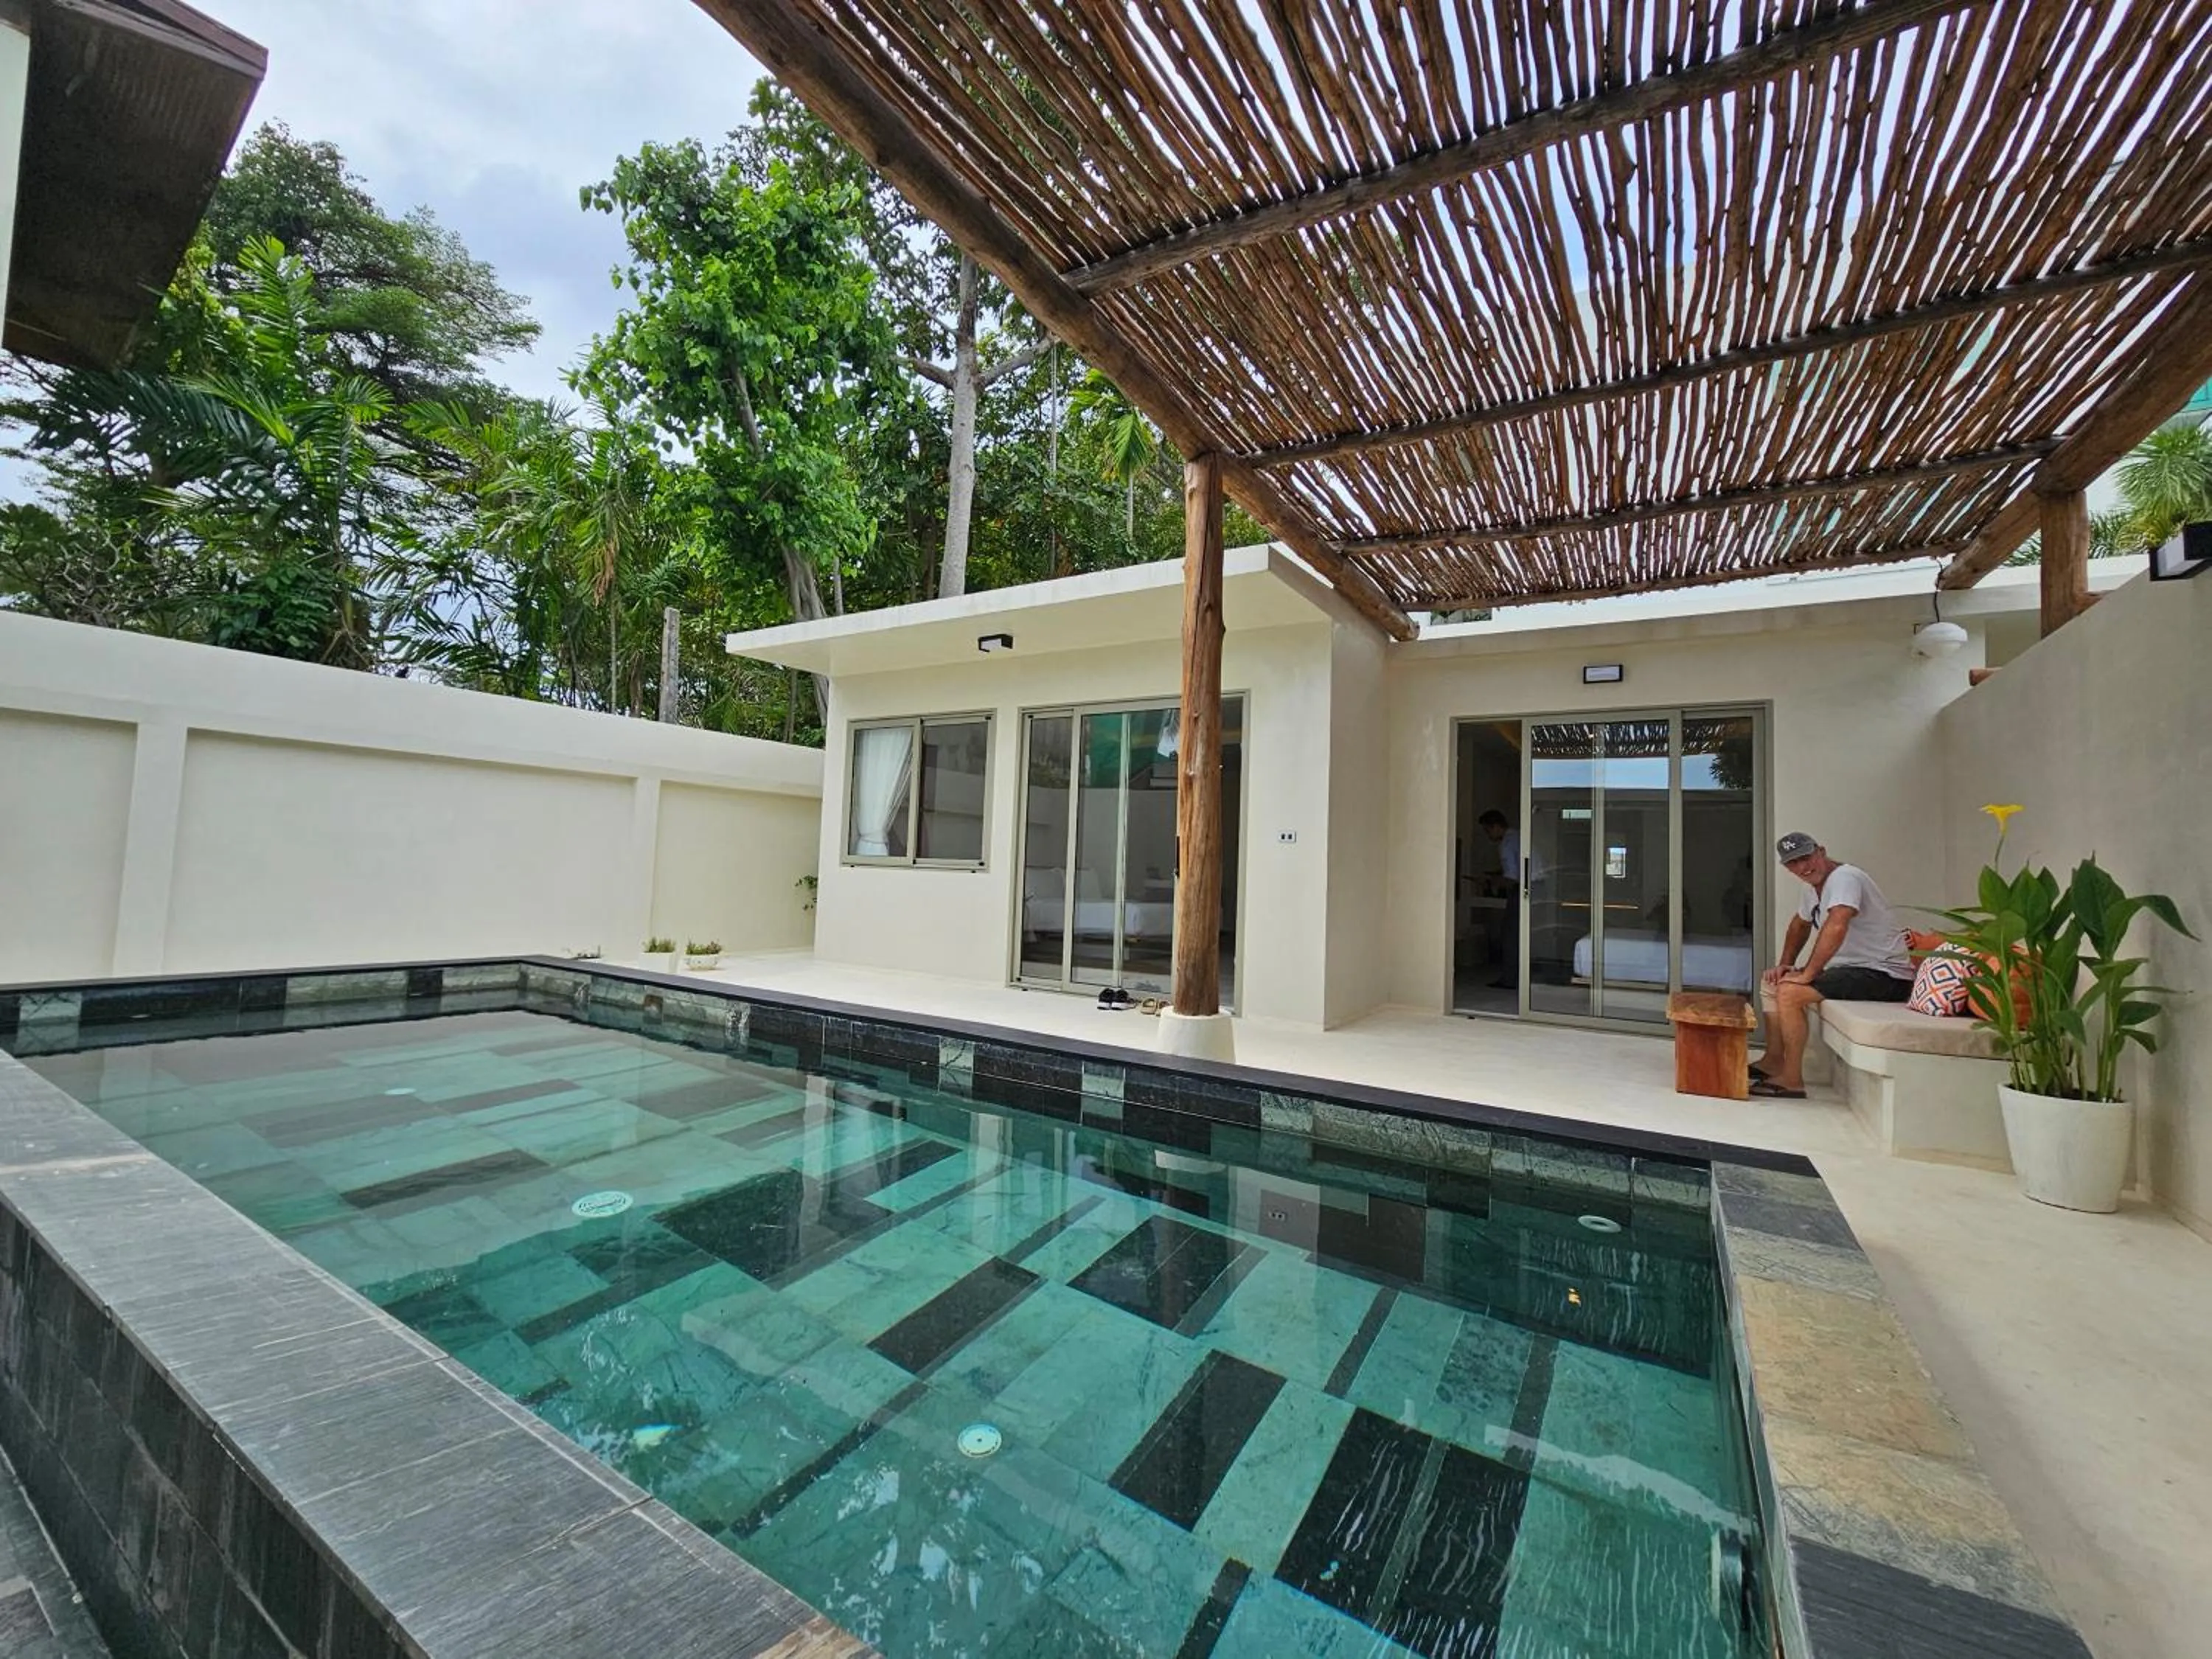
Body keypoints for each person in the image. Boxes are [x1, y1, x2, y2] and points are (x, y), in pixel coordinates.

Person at [1747, 832, 1914, 1099]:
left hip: (1885, 974)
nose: (1803, 867)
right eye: (1794, 863)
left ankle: (1792, 1080)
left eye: (1807, 858)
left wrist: (1808, 974)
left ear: (1821, 852)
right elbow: (1800, 925)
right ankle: (1774, 1061)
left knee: (1790, 993)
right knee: (1773, 982)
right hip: (1854, 970)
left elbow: (1837, 924)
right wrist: (1785, 965)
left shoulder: (1845, 878)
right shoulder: (1812, 887)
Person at [1477, 809, 1523, 989]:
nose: (1488, 835)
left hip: (1522, 890)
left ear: (1496, 827)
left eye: (1488, 830)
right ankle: (1519, 977)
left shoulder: (1506, 843)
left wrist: (1489, 881)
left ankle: (1510, 979)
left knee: (1510, 934)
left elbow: (1511, 879)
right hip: (1537, 886)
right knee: (1521, 934)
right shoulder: (1519, 836)